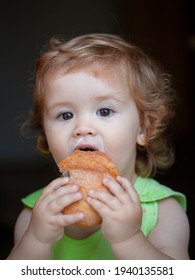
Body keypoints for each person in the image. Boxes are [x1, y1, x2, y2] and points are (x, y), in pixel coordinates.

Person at [7, 33, 189, 260]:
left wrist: (129, 240)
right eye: (65, 115)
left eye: (104, 111)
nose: (83, 127)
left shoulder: (162, 210)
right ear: (45, 135)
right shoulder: (35, 215)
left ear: (144, 128)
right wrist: (36, 240)